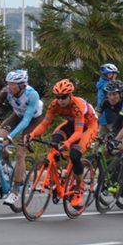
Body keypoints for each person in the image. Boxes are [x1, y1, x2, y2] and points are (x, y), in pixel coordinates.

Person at [25, 79, 99, 208]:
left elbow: (78, 132)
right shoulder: (54, 105)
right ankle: (57, 175)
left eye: (63, 97)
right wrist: (32, 134)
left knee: (75, 155)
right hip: (72, 124)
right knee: (55, 141)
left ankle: (78, 188)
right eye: (58, 97)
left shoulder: (77, 106)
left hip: (88, 127)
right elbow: (44, 124)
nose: (60, 100)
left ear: (70, 95)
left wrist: (69, 142)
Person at [0, 69, 43, 207]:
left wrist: (11, 137)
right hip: (17, 115)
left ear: (22, 85)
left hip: (33, 120)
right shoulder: (6, 91)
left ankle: (16, 190)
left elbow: (26, 121)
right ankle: (8, 168)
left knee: (19, 153)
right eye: (8, 83)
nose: (9, 87)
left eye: (12, 85)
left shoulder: (32, 95)